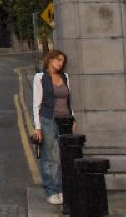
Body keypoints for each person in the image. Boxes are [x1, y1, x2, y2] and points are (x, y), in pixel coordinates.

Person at [32, 49, 75, 206]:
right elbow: (36, 104)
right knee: (49, 157)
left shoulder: (65, 77)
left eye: (63, 61)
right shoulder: (40, 77)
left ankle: (61, 189)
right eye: (58, 60)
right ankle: (51, 190)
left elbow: (69, 100)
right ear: (50, 60)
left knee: (63, 157)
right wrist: (37, 127)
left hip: (65, 121)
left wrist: (73, 118)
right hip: (48, 120)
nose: (61, 63)